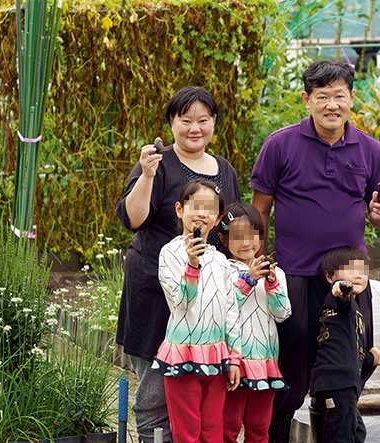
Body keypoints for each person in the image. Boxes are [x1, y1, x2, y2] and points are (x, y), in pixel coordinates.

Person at [250, 59, 380, 442]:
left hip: (349, 278)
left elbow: (378, 213)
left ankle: (334, 431)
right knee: (287, 369)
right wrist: (259, 266)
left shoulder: (370, 148)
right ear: (307, 99)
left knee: (347, 368)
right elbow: (259, 212)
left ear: (351, 98)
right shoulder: (280, 145)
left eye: (339, 96)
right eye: (322, 96)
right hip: (293, 275)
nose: (332, 105)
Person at [115, 86, 241, 442]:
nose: (194, 128)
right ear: (172, 122)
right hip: (158, 293)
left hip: (208, 302)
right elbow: (133, 219)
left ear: (214, 122)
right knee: (156, 390)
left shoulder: (225, 170)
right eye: (186, 120)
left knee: (202, 392)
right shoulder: (157, 163)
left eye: (203, 120)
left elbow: (232, 228)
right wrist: (147, 175)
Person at [152, 179, 241, 442]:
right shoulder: (169, 253)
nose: (202, 212)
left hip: (216, 353)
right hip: (183, 352)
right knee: (187, 430)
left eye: (210, 208)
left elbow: (230, 309)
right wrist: (192, 264)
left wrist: (234, 357)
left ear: (218, 218)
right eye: (196, 205)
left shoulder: (221, 260)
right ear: (180, 210)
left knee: (212, 428)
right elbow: (180, 303)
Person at [217, 203, 292, 443]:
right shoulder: (223, 270)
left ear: (261, 236)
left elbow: (283, 314)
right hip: (234, 361)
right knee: (228, 427)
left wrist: (271, 285)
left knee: (259, 429)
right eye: (237, 236)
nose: (245, 242)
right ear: (223, 239)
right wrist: (248, 279)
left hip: (264, 360)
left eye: (252, 235)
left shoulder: (275, 272)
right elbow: (222, 310)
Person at [309, 246, 380, 443]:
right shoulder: (340, 301)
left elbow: (351, 349)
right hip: (337, 383)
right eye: (351, 271)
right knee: (343, 436)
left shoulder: (353, 310)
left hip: (341, 383)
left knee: (357, 433)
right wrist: (342, 287)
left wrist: (372, 358)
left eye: (362, 272)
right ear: (329, 276)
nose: (358, 276)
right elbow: (342, 292)